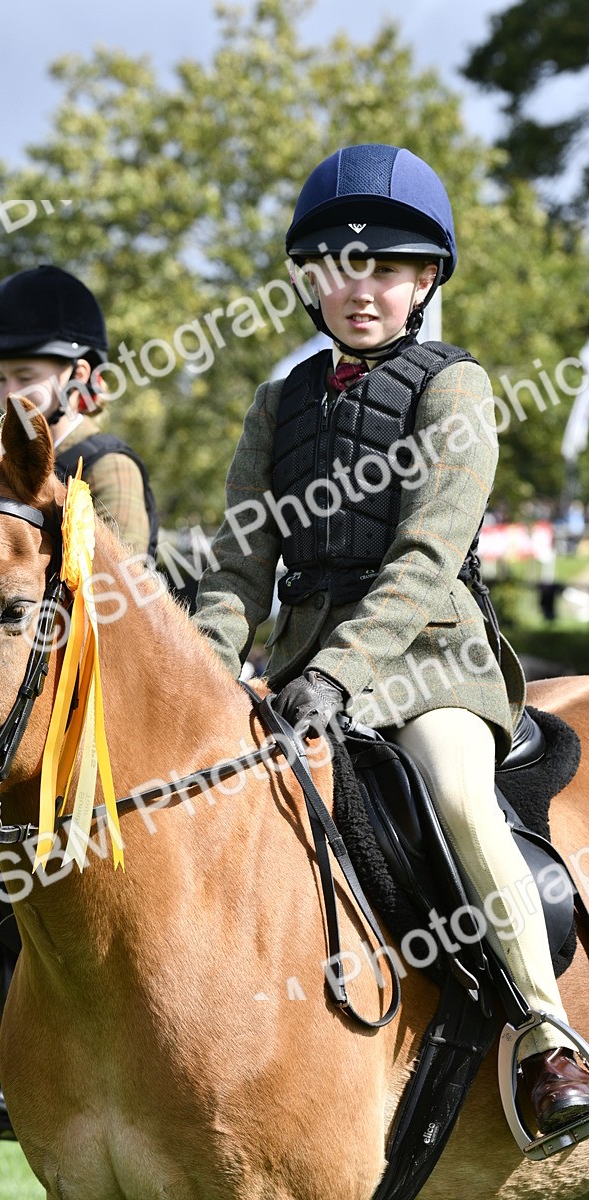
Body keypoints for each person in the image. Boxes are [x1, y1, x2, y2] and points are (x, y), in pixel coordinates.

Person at [193, 143, 589, 1139]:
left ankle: (547, 1040)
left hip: (429, 660)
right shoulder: (274, 405)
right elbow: (241, 564)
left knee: (454, 792)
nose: (358, 288)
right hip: (298, 665)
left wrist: (333, 673)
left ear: (421, 281)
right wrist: (203, 667)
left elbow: (423, 557)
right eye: (338, 269)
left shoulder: (452, 389)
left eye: (383, 269)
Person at [0, 265, 159, 1137]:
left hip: (96, 711)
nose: (11, 393)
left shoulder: (103, 468)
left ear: (84, 378)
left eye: (27, 376)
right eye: (1, 380)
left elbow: (117, 595)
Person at [0, 264, 158, 559]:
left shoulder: (109, 468)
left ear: (79, 373)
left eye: (26, 377)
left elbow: (120, 588)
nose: (9, 393)